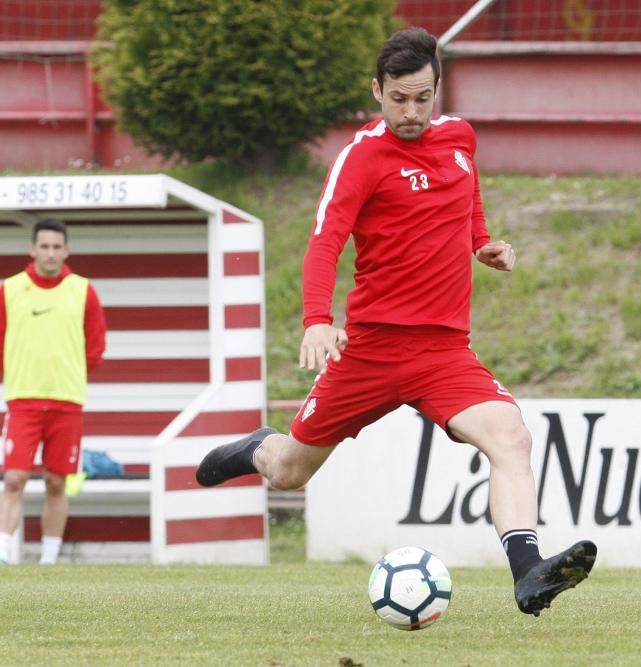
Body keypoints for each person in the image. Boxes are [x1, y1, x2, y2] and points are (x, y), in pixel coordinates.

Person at [196, 27, 596, 613]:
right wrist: (315, 319)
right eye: (399, 99)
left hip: (443, 352)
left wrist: (482, 241)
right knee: (288, 472)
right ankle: (257, 446)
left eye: (423, 98)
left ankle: (527, 572)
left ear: (438, 90)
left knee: (511, 437)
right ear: (377, 91)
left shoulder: (460, 138)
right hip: (370, 351)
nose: (412, 112)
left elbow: (468, 191)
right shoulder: (361, 159)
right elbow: (324, 242)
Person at [0, 218, 106, 565]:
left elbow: (95, 349)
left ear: (66, 250)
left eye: (56, 247)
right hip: (22, 400)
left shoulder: (83, 290)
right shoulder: (10, 289)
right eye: (43, 246)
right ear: (32, 250)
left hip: (67, 401)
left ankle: (49, 561)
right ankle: (2, 556)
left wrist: (65, 376)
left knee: (56, 482)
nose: (49, 253)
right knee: (14, 478)